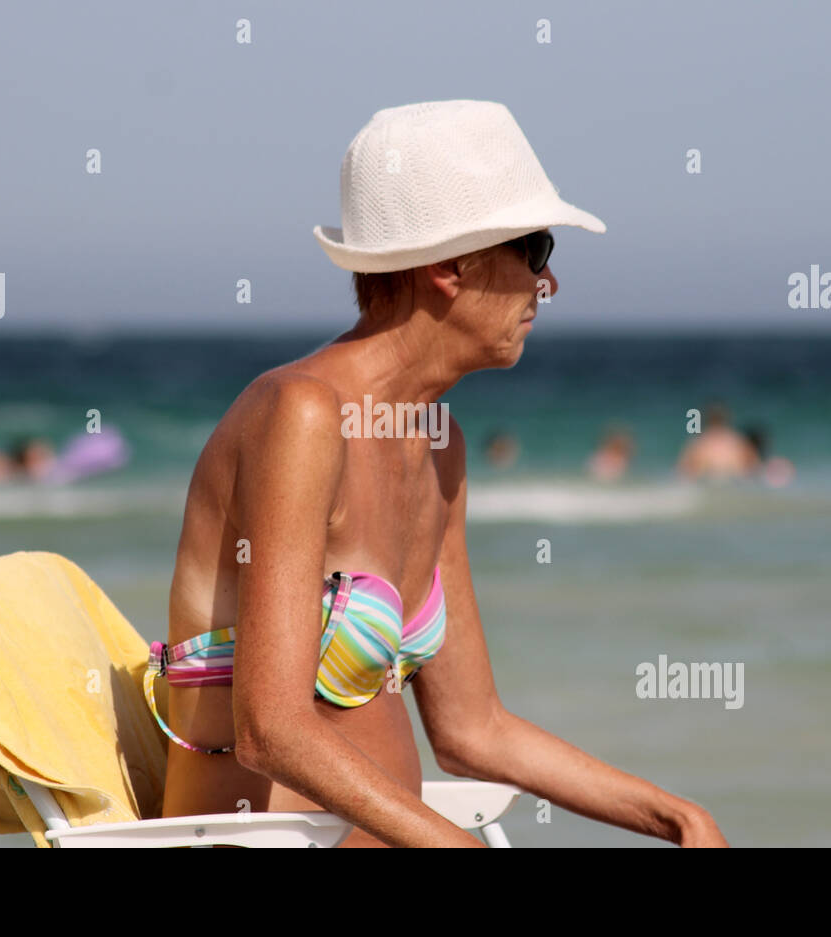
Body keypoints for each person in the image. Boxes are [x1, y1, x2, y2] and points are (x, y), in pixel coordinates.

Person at [157, 100, 728, 848]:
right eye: (535, 247)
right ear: (450, 267)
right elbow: (271, 728)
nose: (548, 282)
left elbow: (471, 729)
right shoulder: (299, 415)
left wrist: (674, 815)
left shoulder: (439, 446)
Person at [676, 403, 760, 482]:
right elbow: (755, 469)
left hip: (707, 487)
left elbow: (683, 473)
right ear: (726, 419)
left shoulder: (698, 443)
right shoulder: (739, 441)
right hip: (735, 487)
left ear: (706, 419)